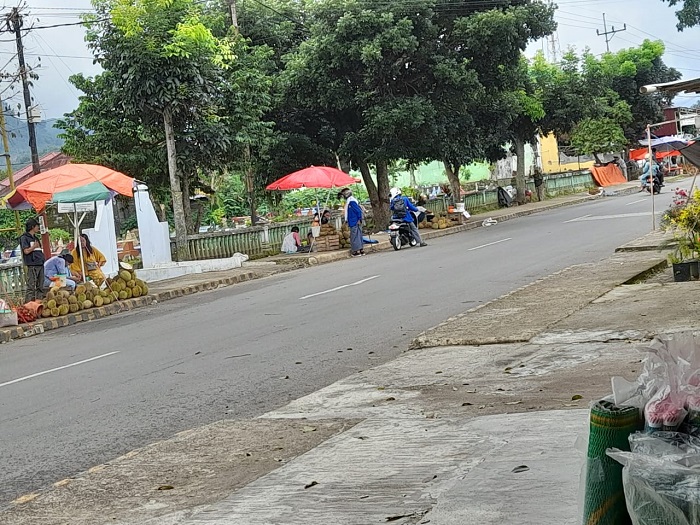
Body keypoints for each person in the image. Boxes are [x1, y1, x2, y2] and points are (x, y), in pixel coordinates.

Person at [20, 218, 46, 302]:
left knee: (40, 286)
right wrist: (33, 247)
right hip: (32, 265)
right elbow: (26, 251)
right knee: (31, 287)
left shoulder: (36, 238)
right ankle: (28, 307)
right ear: (32, 227)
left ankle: (38, 304)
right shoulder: (24, 238)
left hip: (40, 264)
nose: (38, 227)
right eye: (36, 226)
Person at [338, 187, 365, 256]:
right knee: (358, 235)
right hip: (355, 221)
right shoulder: (351, 201)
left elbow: (358, 211)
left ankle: (356, 251)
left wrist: (359, 219)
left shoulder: (351, 201)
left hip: (354, 221)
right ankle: (361, 249)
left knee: (354, 236)